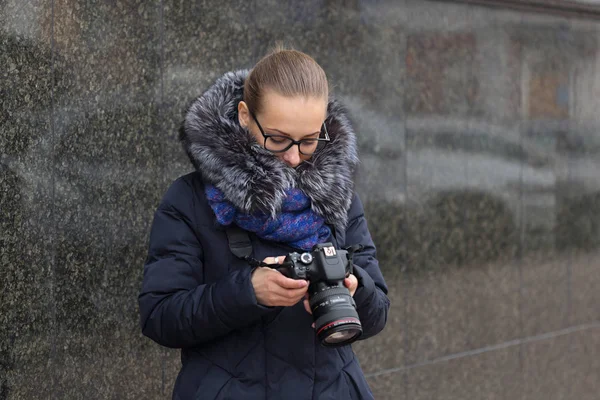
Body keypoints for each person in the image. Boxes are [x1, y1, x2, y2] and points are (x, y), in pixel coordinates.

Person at [138, 48, 390, 400]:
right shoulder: (189, 200)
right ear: (245, 115)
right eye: (278, 138)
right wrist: (246, 292)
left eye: (308, 140)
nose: (293, 156)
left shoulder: (337, 195)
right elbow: (160, 316)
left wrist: (354, 287)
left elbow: (377, 313)